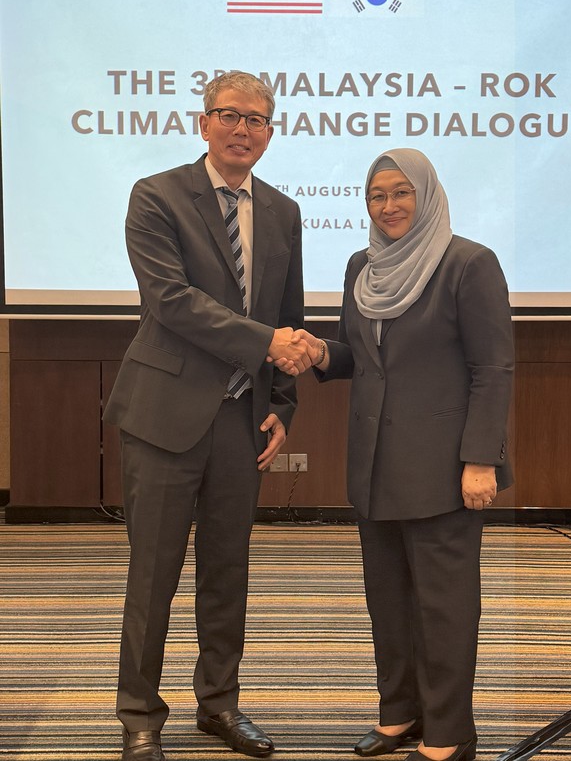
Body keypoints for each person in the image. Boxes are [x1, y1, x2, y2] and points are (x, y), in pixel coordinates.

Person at [104, 71, 311, 761]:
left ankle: (219, 703)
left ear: (270, 133)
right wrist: (266, 344)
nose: (242, 130)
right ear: (204, 122)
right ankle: (140, 715)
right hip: (164, 416)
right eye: (230, 115)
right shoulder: (157, 195)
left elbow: (287, 316)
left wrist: (281, 405)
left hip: (240, 419)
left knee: (228, 572)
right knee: (153, 574)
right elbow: (171, 301)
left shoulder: (282, 211)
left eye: (256, 120)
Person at [282, 148, 514, 761]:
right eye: (377, 195)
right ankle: (400, 713)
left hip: (444, 468)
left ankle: (449, 731)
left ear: (426, 195)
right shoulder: (362, 267)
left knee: (443, 605)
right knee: (387, 600)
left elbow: (492, 369)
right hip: (375, 465)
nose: (388, 206)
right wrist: (321, 353)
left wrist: (481, 459)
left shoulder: (468, 264)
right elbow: (360, 356)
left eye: (401, 192)